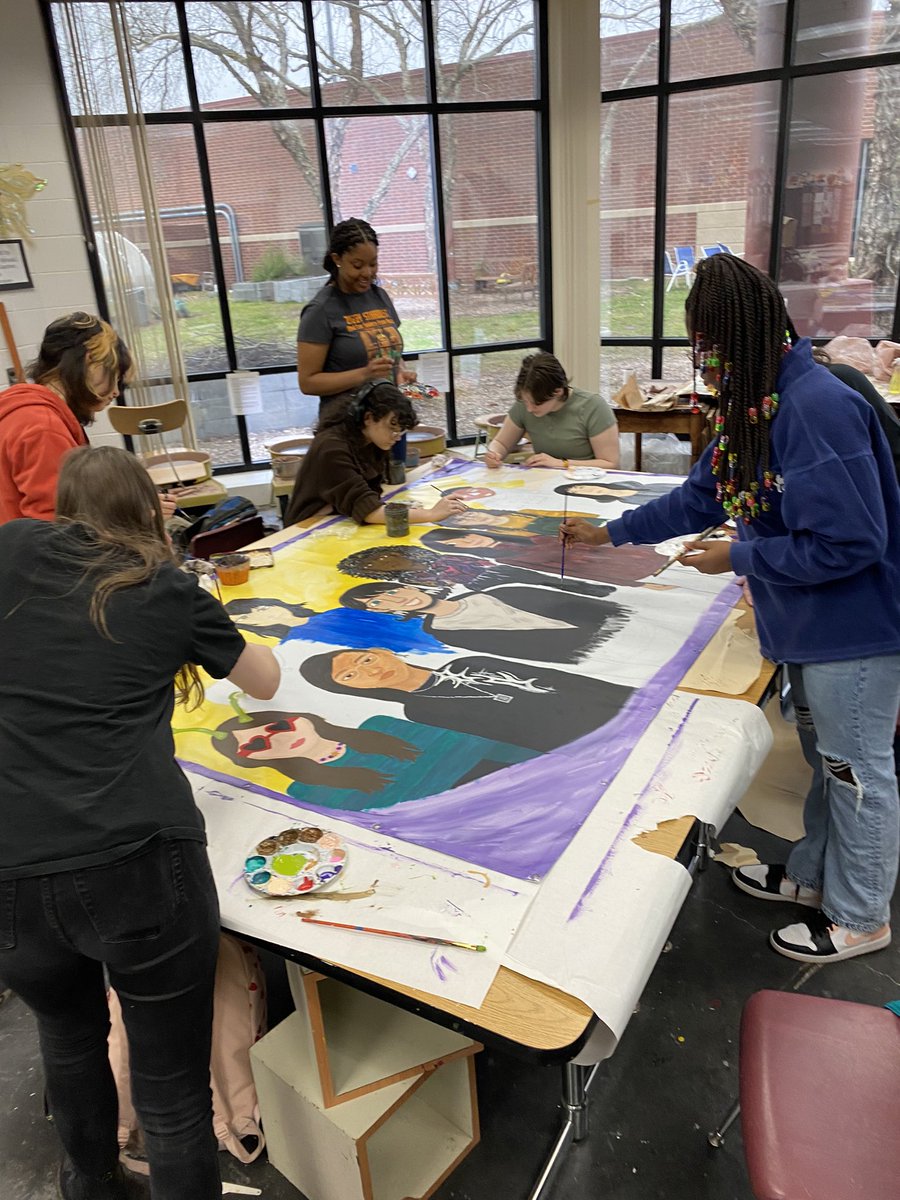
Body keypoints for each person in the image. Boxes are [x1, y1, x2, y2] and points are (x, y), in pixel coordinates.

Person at [562, 253, 900, 965]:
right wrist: (611, 530)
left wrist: (739, 558)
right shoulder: (757, 404)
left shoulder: (816, 407)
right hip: (806, 628)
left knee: (857, 773)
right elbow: (700, 497)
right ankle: (813, 878)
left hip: (856, 632)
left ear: (744, 337)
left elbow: (853, 544)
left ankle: (862, 914)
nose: (704, 364)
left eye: (709, 348)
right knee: (826, 762)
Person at [0, 445, 280, 1200]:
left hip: (11, 870)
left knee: (67, 1037)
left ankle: (88, 1186)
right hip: (139, 863)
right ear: (151, 514)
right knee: (171, 1089)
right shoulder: (163, 585)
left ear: (60, 506)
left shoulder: (12, 548)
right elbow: (264, 680)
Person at [0, 311, 177, 524]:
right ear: (90, 362)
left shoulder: (24, 412)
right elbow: (58, 526)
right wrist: (137, 519)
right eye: (115, 377)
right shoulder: (43, 427)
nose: (115, 392)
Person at [300, 647, 634, 753]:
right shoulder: (419, 711)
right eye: (350, 677)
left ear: (381, 651)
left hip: (616, 708)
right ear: (351, 691)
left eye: (365, 660)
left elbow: (564, 680)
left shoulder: (464, 664)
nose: (369, 671)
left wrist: (634, 700)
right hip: (591, 743)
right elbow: (509, 739)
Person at [210, 709, 534, 810]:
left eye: (279, 725)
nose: (279, 736)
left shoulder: (381, 725)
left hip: (524, 783)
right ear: (250, 761)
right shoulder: (305, 793)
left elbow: (488, 747)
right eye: (257, 744)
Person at [284, 380, 465, 527]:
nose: (396, 437)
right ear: (368, 418)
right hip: (306, 529)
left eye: (401, 431)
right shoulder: (332, 447)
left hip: (337, 520)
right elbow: (369, 511)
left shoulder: (369, 439)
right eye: (391, 428)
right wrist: (431, 514)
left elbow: (371, 496)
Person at [338, 579, 626, 663]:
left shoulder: (500, 590)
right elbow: (529, 654)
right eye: (378, 604)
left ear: (406, 586)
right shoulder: (446, 635)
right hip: (605, 659)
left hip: (624, 629)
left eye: (391, 591)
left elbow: (589, 605)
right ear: (381, 613)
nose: (395, 600)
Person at [296, 218, 415, 418]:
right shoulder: (320, 310)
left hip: (389, 421)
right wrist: (364, 374)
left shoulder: (380, 296)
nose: (367, 273)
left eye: (373, 264)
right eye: (358, 265)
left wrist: (400, 370)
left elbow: (390, 352)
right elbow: (307, 382)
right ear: (337, 259)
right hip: (346, 427)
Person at [484, 351, 619, 470]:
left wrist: (562, 464)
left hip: (586, 483)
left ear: (558, 392)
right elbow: (501, 443)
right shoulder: (524, 405)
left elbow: (610, 463)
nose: (529, 409)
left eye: (537, 403)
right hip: (544, 483)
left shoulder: (593, 407)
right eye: (525, 401)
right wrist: (494, 454)